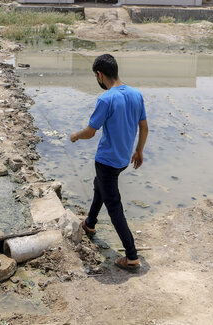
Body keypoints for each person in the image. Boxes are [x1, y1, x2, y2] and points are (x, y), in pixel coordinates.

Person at [70, 54, 148, 271]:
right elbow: (144, 127)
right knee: (100, 186)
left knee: (114, 205)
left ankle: (131, 256)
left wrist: (75, 135)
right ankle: (90, 223)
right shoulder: (136, 94)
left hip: (106, 161)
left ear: (100, 75)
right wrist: (139, 151)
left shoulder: (106, 99)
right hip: (123, 159)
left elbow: (90, 132)